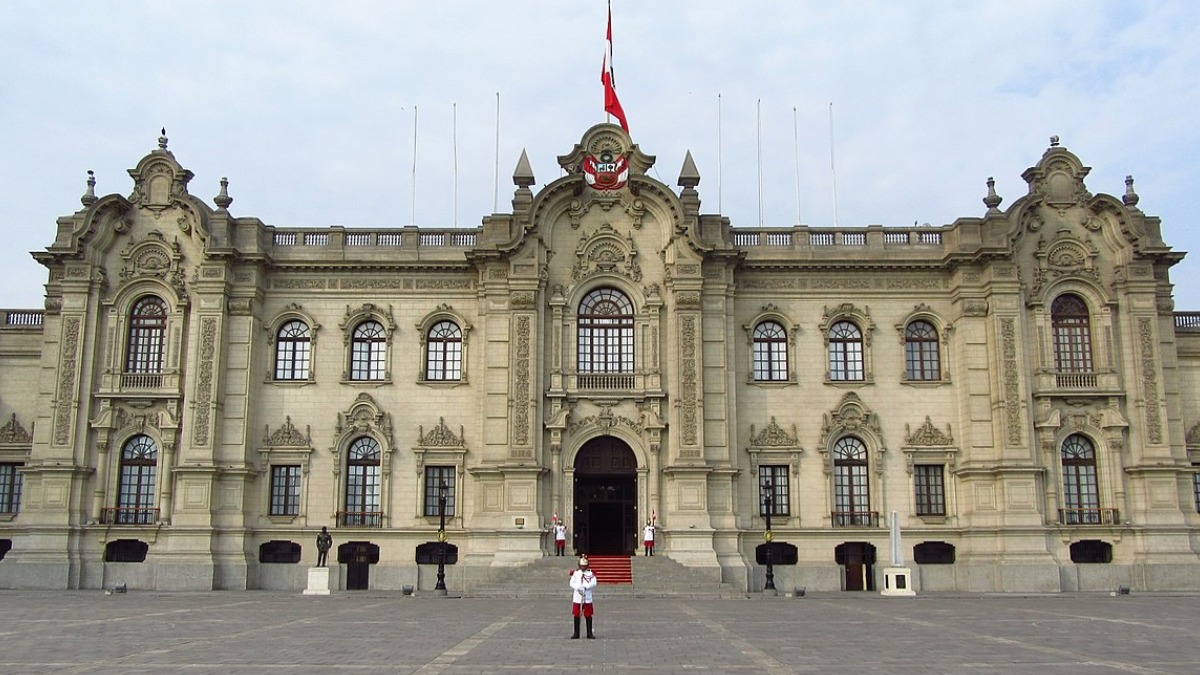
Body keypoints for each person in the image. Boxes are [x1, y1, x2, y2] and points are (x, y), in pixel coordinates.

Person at [568, 555, 597, 639]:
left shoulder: (590, 573)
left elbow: (594, 582)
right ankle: (576, 633)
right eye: (581, 566)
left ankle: (589, 633)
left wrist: (586, 587)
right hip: (577, 597)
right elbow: (571, 583)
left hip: (587, 596)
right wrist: (577, 588)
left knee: (588, 614)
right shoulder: (576, 573)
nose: (583, 567)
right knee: (576, 614)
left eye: (584, 566)